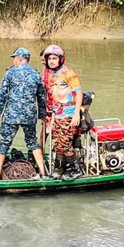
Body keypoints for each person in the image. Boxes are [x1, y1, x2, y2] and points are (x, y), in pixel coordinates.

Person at [0, 48, 48, 181]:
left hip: (12, 115)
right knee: (33, 142)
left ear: (19, 58)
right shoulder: (35, 74)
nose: (13, 60)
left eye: (14, 58)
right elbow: (41, 97)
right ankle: (43, 172)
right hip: (29, 115)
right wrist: (43, 114)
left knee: (4, 143)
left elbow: (2, 92)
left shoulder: (10, 72)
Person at [41, 44, 83, 181]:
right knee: (58, 143)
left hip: (69, 113)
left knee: (65, 143)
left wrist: (76, 113)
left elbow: (79, 93)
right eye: (49, 59)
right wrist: (52, 118)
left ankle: (75, 168)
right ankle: (58, 169)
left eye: (54, 58)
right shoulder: (52, 75)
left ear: (60, 59)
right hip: (57, 114)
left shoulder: (68, 73)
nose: (52, 61)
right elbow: (53, 99)